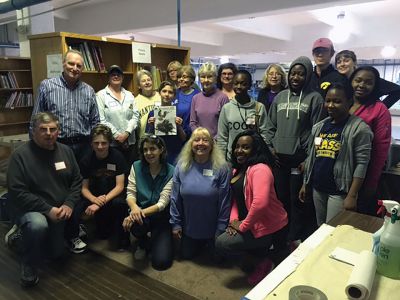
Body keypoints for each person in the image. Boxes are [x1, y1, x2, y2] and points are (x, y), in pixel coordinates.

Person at [5, 112, 83, 287]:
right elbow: (17, 191)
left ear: (58, 131)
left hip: (59, 211)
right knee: (38, 225)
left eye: (53, 129)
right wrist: (48, 210)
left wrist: (69, 204)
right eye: (43, 129)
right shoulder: (20, 155)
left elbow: (77, 181)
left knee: (55, 254)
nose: (48, 133)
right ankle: (28, 263)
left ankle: (28, 238)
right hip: (31, 211)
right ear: (33, 131)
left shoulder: (66, 151)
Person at [215, 130, 288, 285]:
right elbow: (234, 200)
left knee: (223, 243)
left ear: (255, 150)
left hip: (267, 226)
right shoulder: (238, 170)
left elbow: (260, 204)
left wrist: (242, 226)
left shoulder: (260, 169)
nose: (239, 150)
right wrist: (233, 221)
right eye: (237, 146)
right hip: (249, 223)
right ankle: (262, 255)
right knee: (221, 239)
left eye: (246, 147)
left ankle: (265, 261)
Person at [265, 56, 324, 242]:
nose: (295, 77)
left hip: (300, 161)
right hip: (279, 159)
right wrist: (270, 148)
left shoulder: (315, 99)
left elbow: (319, 133)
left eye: (301, 73)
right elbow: (269, 127)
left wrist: (309, 160)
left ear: (307, 76)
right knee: (280, 198)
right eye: (293, 73)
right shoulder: (280, 97)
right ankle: (281, 236)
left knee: (297, 201)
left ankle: (295, 238)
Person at [300, 83, 373, 225]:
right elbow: (313, 156)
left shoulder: (359, 128)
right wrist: (305, 184)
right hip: (318, 188)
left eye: (337, 101)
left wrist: (352, 195)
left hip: (339, 192)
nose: (331, 105)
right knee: (321, 228)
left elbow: (362, 164)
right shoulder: (320, 127)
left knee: (333, 231)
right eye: (328, 101)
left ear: (349, 102)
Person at [170, 127, 231, 260]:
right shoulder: (181, 165)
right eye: (196, 140)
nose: (201, 143)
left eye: (205, 140)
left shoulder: (222, 167)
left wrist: (221, 228)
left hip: (213, 230)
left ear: (212, 144)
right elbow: (175, 198)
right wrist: (176, 224)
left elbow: (225, 201)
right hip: (189, 229)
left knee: (217, 258)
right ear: (191, 144)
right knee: (186, 255)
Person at [31, 49, 100, 162]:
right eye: (71, 63)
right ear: (63, 64)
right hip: (56, 144)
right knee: (59, 177)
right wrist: (34, 147)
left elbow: (95, 121)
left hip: (84, 147)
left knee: (83, 178)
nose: (74, 68)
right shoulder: (47, 86)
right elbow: (36, 119)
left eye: (79, 65)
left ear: (82, 68)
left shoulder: (89, 91)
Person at [69, 124, 129, 250]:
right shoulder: (86, 160)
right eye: (96, 143)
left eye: (104, 143)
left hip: (113, 194)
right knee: (76, 206)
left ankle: (123, 237)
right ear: (91, 144)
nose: (100, 146)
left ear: (109, 143)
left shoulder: (117, 156)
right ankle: (73, 235)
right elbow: (84, 188)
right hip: (94, 195)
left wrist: (100, 202)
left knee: (120, 204)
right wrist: (94, 200)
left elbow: (120, 186)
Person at [122, 135, 174, 270]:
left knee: (161, 262)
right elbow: (130, 193)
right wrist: (134, 209)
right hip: (140, 216)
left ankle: (159, 239)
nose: (148, 153)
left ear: (161, 150)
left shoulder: (171, 171)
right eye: (145, 150)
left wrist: (136, 214)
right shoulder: (136, 166)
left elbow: (162, 203)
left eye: (153, 149)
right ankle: (142, 241)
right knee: (136, 225)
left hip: (160, 216)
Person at [349, 66, 392, 216]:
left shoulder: (379, 109)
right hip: (338, 171)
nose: (361, 85)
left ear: (375, 86)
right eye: (358, 80)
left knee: (355, 217)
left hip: (363, 174)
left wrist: (372, 182)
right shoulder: (344, 102)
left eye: (368, 82)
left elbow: (381, 149)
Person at [217, 70, 268, 161]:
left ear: (249, 85)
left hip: (253, 159)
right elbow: (222, 138)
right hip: (232, 159)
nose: (239, 87)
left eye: (243, 84)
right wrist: (221, 161)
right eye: (236, 83)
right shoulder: (226, 108)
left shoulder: (259, 107)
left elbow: (264, 135)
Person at [96, 65, 140, 166]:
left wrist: (127, 133)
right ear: (109, 77)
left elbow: (135, 116)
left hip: (130, 143)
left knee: (130, 172)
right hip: (112, 144)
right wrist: (117, 136)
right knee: (113, 172)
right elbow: (102, 120)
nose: (116, 76)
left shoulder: (129, 95)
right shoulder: (101, 95)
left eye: (118, 74)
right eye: (113, 74)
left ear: (122, 77)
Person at [335, 50, 400, 109]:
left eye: (346, 61)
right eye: (339, 62)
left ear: (355, 62)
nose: (342, 64)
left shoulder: (367, 77)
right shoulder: (339, 81)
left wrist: (381, 108)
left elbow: (397, 90)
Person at [146, 81, 186, 164]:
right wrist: (150, 126)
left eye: (170, 92)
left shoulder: (179, 113)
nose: (167, 94)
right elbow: (148, 138)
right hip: (158, 153)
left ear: (174, 95)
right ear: (159, 93)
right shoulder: (153, 113)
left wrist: (179, 126)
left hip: (175, 152)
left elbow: (184, 138)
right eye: (164, 91)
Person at [190, 62, 229, 139]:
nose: (206, 80)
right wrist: (201, 138)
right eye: (203, 77)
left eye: (210, 76)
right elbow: (192, 123)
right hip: (199, 142)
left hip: (217, 143)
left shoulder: (223, 98)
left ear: (215, 78)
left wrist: (212, 141)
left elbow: (225, 125)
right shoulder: (195, 98)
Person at [135, 69, 162, 140]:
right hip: (144, 139)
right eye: (143, 81)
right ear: (139, 86)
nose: (147, 82)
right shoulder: (135, 101)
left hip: (161, 138)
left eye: (148, 80)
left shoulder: (161, 96)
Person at [176, 65, 200, 138]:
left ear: (192, 79)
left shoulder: (198, 95)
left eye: (184, 77)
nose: (181, 79)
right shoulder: (173, 93)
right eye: (179, 77)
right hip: (175, 134)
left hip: (192, 135)